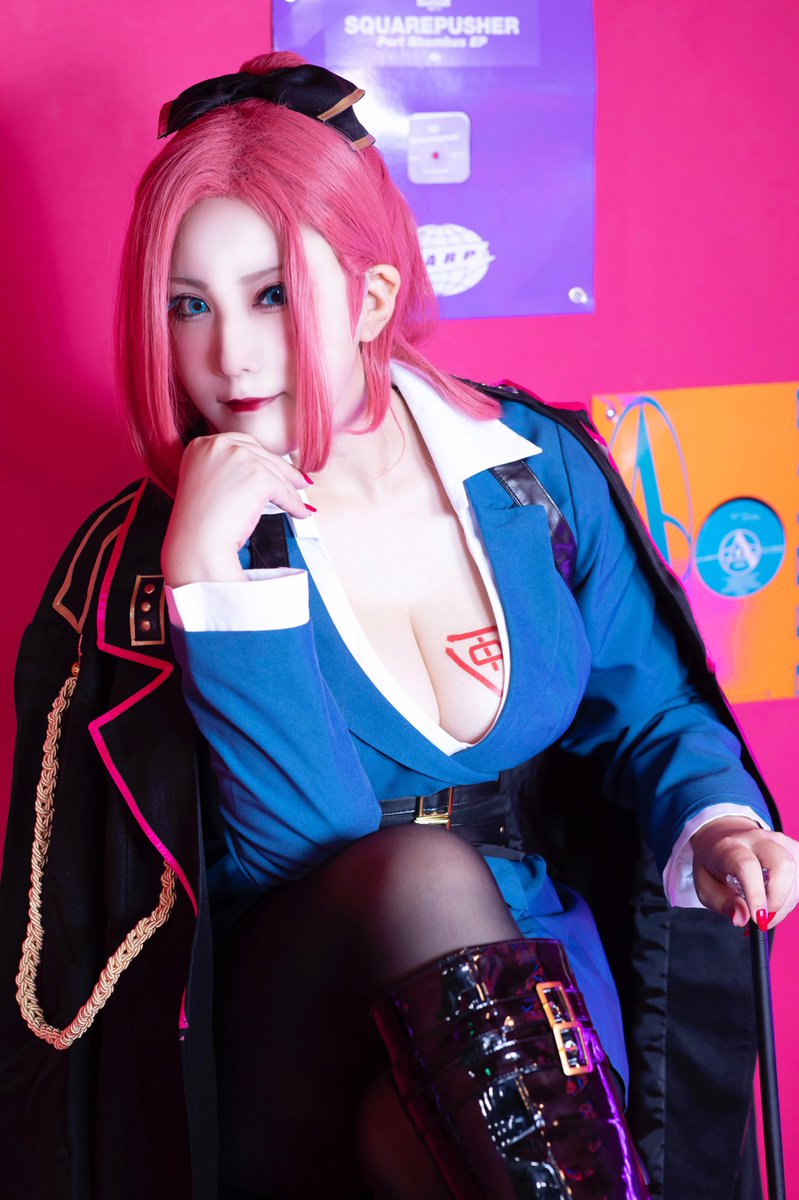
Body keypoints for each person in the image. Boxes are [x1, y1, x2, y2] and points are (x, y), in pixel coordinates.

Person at [1, 48, 796, 1200]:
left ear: (371, 297)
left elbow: (652, 707)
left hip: (535, 992)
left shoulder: (533, 472)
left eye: (273, 295)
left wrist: (716, 823)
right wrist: (212, 576)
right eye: (188, 306)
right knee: (414, 876)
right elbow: (306, 842)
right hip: (286, 1030)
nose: (228, 355)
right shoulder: (148, 554)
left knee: (421, 1141)